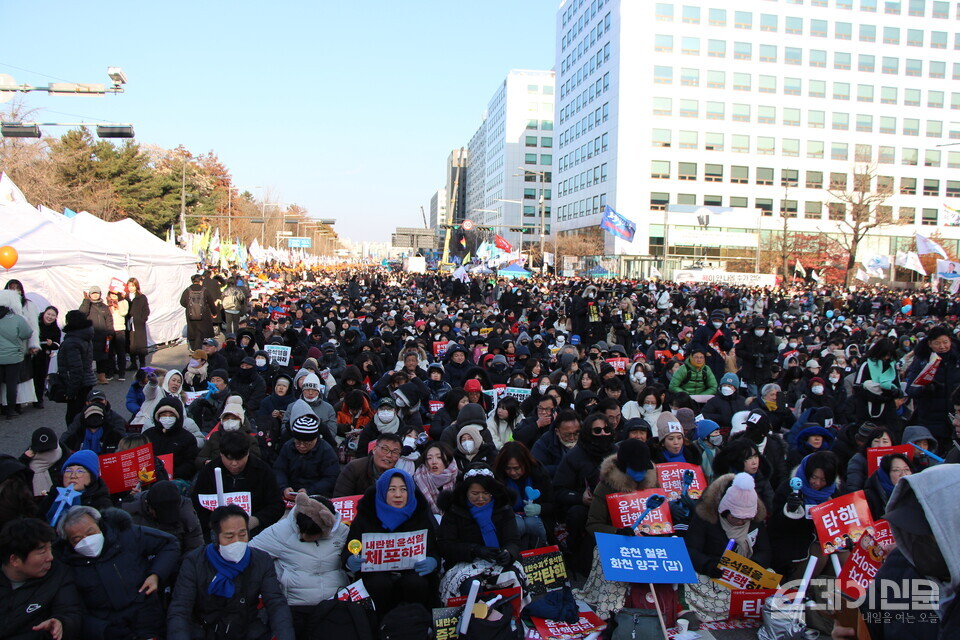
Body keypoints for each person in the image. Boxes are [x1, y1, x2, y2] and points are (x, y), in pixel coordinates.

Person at [168, 504, 295, 640]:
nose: (237, 542)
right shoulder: (195, 561)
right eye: (229, 537)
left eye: (242, 535)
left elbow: (276, 603)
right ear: (216, 537)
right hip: (205, 630)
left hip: (246, 629)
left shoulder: (261, 560)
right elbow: (180, 608)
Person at [56, 505, 179, 640]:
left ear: (99, 525)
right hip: (108, 629)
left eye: (90, 533)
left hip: (146, 618)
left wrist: (156, 575)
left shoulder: (126, 534)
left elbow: (169, 544)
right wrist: (104, 630)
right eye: (77, 539)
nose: (86, 540)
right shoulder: (66, 564)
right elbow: (77, 609)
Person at [342, 469, 440, 619]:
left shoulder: (420, 514)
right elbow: (351, 545)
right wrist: (350, 560)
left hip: (412, 572)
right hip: (375, 574)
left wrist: (432, 561)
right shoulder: (367, 514)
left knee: (416, 583)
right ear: (382, 491)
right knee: (378, 584)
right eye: (392, 489)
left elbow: (433, 549)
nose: (398, 495)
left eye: (403, 489)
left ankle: (414, 626)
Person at [250, 493, 348, 635]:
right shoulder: (281, 531)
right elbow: (251, 555)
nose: (303, 537)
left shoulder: (343, 532)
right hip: (295, 605)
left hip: (334, 603)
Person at [684, 473, 771, 621]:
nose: (740, 523)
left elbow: (765, 551)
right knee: (691, 581)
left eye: (745, 520)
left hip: (744, 577)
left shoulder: (755, 521)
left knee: (770, 577)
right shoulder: (706, 516)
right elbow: (691, 550)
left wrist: (752, 566)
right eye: (735, 518)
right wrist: (709, 565)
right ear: (724, 511)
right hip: (712, 574)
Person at [437, 467, 520, 601]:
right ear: (466, 492)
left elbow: (513, 540)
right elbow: (444, 545)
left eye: (486, 493)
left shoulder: (503, 508)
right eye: (475, 493)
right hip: (464, 563)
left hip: (497, 560)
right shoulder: (454, 510)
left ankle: (509, 615)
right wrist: (474, 550)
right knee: (471, 585)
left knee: (512, 576)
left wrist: (508, 553)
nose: (481, 498)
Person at [553, 412, 617, 574]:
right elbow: (558, 490)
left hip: (616, 506)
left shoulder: (617, 453)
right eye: (597, 431)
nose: (603, 434)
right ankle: (574, 552)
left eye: (606, 430)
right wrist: (579, 497)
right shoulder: (574, 456)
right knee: (577, 514)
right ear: (588, 433)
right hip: (586, 509)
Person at [0, 518, 83, 640]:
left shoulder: (58, 574)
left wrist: (61, 623)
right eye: (42, 552)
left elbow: (70, 612)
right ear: (15, 560)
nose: (50, 557)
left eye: (50, 548)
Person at [191, 430, 284, 536]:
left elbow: (277, 505)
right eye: (229, 459)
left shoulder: (262, 470)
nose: (234, 464)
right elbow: (197, 503)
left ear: (247, 453)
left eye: (239, 459)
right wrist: (213, 523)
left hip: (255, 531)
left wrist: (256, 520)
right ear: (221, 454)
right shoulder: (209, 471)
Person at [770, 451, 842, 579]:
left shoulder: (833, 492)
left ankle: (830, 594)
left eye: (823, 480)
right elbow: (775, 526)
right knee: (819, 554)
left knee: (844, 556)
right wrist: (790, 511)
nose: (817, 483)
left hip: (826, 541)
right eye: (814, 477)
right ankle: (799, 591)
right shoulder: (789, 488)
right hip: (795, 545)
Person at [493, 441, 553, 550]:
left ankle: (542, 550)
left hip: (539, 521)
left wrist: (540, 508)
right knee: (517, 524)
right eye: (508, 468)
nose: (512, 473)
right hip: (511, 520)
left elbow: (553, 503)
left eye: (516, 468)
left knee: (532, 524)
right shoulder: (498, 479)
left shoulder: (539, 474)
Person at [122, 480, 204, 557]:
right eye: (160, 513)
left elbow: (195, 548)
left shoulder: (187, 514)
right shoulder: (131, 513)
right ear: (150, 507)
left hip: (177, 563)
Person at [273, 413, 340, 499]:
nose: (301, 446)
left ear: (315, 439)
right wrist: (283, 487)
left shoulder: (326, 450)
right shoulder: (288, 446)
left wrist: (309, 491)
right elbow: (279, 470)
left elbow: (331, 478)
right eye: (298, 442)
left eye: (307, 443)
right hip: (290, 493)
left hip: (316, 495)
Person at [39, 449, 112, 526]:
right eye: (68, 471)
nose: (73, 476)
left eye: (80, 472)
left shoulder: (102, 503)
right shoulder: (53, 495)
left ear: (92, 477)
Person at [142, 397, 201, 480]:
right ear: (158, 416)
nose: (167, 418)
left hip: (176, 479)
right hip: (148, 477)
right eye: (164, 415)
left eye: (171, 415)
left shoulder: (187, 438)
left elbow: (190, 463)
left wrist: (174, 474)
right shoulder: (148, 435)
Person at [853, 338, 903, 430]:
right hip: (866, 408)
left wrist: (894, 392)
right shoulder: (866, 365)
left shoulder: (892, 367)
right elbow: (857, 387)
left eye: (889, 355)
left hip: (887, 410)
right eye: (884, 355)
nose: (886, 358)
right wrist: (876, 397)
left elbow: (898, 387)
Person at [59, 309, 97, 426]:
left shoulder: (72, 341)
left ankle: (74, 442)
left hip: (79, 384)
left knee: (73, 417)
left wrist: (71, 391)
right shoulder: (85, 337)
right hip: (87, 380)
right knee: (83, 413)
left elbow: (76, 369)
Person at [334, 433, 402, 497]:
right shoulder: (354, 468)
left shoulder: (399, 476)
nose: (389, 455)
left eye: (395, 452)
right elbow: (341, 498)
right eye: (385, 449)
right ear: (374, 449)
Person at [0, 289, 33, 419]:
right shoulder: (17, 319)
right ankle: (11, 411)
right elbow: (27, 333)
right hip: (14, 357)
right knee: (11, 384)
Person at [20, 426, 69, 499]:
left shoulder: (66, 460)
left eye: (49, 450)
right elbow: (15, 478)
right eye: (42, 451)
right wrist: (23, 459)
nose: (46, 454)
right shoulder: (27, 460)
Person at [79, 285, 114, 385]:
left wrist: (110, 332)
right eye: (93, 293)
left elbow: (109, 320)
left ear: (100, 294)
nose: (95, 295)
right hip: (90, 336)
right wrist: (86, 301)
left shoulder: (104, 307)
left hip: (103, 336)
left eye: (97, 293)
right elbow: (81, 314)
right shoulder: (87, 305)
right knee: (88, 357)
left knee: (102, 358)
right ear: (90, 294)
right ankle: (88, 377)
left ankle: (101, 376)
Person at [412, 441, 458, 515]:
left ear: (448, 460)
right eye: (429, 458)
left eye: (439, 457)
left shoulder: (459, 479)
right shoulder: (416, 481)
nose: (434, 462)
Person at [863, 453, 913, 520]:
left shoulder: (916, 493)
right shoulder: (869, 497)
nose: (904, 474)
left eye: (907, 469)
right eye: (896, 470)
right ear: (886, 474)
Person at [532, 409, 580, 477]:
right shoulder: (544, 443)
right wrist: (564, 468)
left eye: (576, 433)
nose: (572, 438)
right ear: (557, 431)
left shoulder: (586, 440)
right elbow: (535, 470)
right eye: (567, 434)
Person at [180, 274, 219, 351]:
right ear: (200, 281)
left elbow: (182, 302)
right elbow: (211, 303)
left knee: (192, 331)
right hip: (203, 315)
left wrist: (190, 307)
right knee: (200, 332)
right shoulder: (204, 290)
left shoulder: (187, 290)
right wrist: (214, 313)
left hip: (191, 314)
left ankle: (194, 348)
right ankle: (198, 350)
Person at [33, 305, 60, 409]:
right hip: (31, 353)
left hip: (43, 355)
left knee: (40, 377)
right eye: (48, 314)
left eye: (53, 315)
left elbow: (57, 345)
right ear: (44, 313)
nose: (50, 317)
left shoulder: (55, 329)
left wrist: (51, 344)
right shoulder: (35, 323)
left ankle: (38, 399)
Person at [125, 277, 150, 371]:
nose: (131, 288)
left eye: (133, 286)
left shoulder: (141, 297)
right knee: (131, 344)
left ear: (136, 286)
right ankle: (133, 363)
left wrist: (142, 319)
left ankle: (142, 363)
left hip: (139, 324)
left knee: (140, 344)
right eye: (129, 286)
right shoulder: (126, 298)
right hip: (129, 324)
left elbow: (146, 310)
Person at [106, 289, 130, 380]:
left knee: (121, 353)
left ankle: (121, 373)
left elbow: (123, 312)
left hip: (120, 330)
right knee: (109, 353)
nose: (113, 295)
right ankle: (110, 372)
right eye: (112, 293)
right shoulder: (106, 303)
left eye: (115, 294)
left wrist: (119, 300)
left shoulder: (123, 302)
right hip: (109, 330)